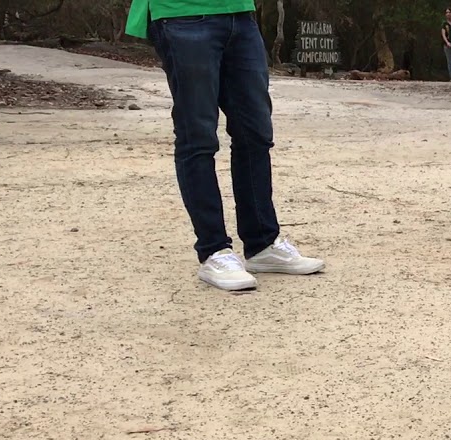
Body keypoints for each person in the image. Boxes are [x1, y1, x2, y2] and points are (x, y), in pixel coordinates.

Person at [123, 0, 325, 291]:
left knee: (254, 131)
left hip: (239, 14)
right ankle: (214, 250)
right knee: (198, 135)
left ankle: (262, 244)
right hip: (182, 15)